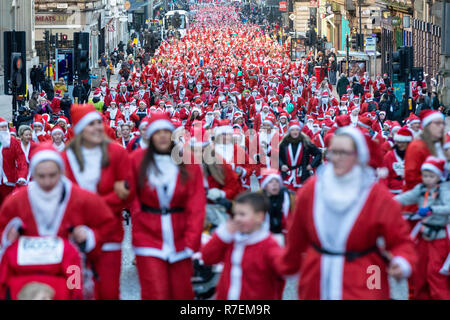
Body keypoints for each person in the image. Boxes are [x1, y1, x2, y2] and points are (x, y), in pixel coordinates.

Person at [278, 126, 417, 299]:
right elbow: (296, 236)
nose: (336, 159)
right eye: (333, 152)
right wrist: (283, 266)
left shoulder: (375, 195)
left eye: (343, 153)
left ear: (359, 157)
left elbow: (400, 240)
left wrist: (401, 261)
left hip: (364, 273)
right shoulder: (311, 191)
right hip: (317, 275)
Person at [0, 143, 116, 299]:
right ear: (33, 173)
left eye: (52, 175)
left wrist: (89, 235)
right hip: (26, 269)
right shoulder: (16, 201)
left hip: (69, 264)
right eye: (41, 176)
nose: (47, 182)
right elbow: (2, 227)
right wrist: (8, 236)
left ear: (61, 172)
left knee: (75, 291)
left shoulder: (82, 197)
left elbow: (107, 223)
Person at [60, 104, 133, 300]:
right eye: (91, 124)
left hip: (109, 235)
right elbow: (61, 197)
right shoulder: (64, 158)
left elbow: (125, 193)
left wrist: (93, 205)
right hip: (74, 238)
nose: (98, 127)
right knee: (74, 290)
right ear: (79, 129)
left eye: (99, 122)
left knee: (108, 292)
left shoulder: (117, 153)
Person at [129, 112, 206, 300]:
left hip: (181, 237)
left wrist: (192, 240)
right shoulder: (136, 160)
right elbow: (130, 197)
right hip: (148, 237)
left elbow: (197, 204)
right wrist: (139, 224)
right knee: (156, 292)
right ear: (150, 136)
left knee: (182, 293)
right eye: (157, 132)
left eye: (166, 132)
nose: (162, 136)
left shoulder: (189, 164)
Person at [201, 192, 285, 300]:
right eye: (235, 214)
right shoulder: (230, 238)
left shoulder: (269, 245)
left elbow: (281, 278)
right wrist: (222, 236)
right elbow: (207, 257)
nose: (237, 218)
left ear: (259, 217)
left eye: (242, 214)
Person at [394, 156, 450, 300]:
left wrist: (432, 209)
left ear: (439, 176)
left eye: (431, 176)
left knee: (435, 273)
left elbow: (448, 208)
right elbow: (404, 198)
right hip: (423, 235)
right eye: (425, 175)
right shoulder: (421, 189)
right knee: (419, 272)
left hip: (439, 236)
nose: (427, 179)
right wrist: (386, 201)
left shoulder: (444, 189)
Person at [279, 120, 322, 191]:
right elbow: (277, 156)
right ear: (289, 131)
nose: (295, 132)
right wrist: (281, 165)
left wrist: (311, 165)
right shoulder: (284, 143)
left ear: (300, 131)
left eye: (297, 130)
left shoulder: (305, 142)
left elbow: (318, 154)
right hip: (287, 175)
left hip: (302, 175)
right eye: (292, 130)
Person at [380, 126, 414, 195]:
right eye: (399, 142)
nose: (400, 145)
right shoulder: (390, 156)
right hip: (393, 192)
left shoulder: (414, 155)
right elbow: (384, 177)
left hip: (411, 192)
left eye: (403, 142)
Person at [0, 119, 27, 202]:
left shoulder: (12, 141)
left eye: (5, 127)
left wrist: (22, 176)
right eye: (2, 127)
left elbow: (21, 159)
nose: (4, 129)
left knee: (7, 203)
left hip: (8, 180)